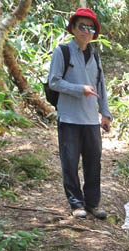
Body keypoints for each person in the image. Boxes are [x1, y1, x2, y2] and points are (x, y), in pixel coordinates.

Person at [48, 8, 112, 219]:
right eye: (82, 26)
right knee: (70, 162)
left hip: (90, 119)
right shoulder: (62, 52)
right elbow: (54, 81)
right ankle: (76, 204)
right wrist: (79, 89)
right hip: (68, 118)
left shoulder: (94, 55)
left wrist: (105, 114)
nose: (86, 31)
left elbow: (100, 86)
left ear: (94, 32)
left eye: (90, 27)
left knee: (94, 162)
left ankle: (93, 203)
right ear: (73, 29)